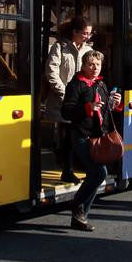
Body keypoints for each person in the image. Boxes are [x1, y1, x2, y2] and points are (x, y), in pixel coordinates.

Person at [61, 50, 122, 232]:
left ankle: (80, 216)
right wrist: (88, 107)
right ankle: (78, 206)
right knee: (99, 172)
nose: (95, 68)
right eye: (91, 64)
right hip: (81, 135)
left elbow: (104, 112)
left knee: (96, 175)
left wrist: (114, 104)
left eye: (98, 64)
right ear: (84, 66)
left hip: (97, 137)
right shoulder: (76, 85)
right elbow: (67, 111)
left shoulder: (101, 84)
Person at [44, 16, 93, 184]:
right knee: (68, 137)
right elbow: (52, 73)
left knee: (78, 136)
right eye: (85, 33)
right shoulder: (59, 47)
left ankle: (75, 166)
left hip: (82, 102)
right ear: (75, 32)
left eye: (89, 34)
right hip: (63, 102)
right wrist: (65, 94)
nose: (87, 37)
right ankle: (68, 169)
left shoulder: (88, 51)